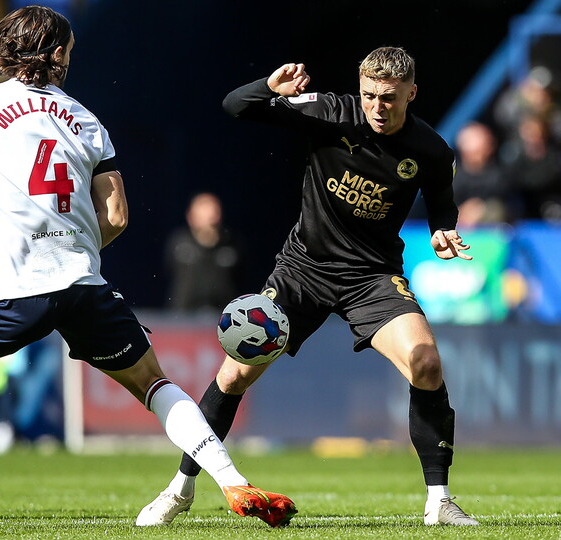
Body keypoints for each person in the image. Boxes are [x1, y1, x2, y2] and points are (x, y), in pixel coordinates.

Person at [0, 5, 296, 531]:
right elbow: (118, 216)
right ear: (56, 53)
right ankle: (232, 481)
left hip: (18, 286)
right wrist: (72, 247)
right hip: (84, 282)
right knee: (153, 383)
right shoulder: (86, 117)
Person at [136, 47, 480, 527]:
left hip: (371, 277)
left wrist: (444, 228)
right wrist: (268, 88)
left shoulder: (431, 149)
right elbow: (236, 107)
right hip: (303, 271)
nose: (378, 107)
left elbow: (442, 203)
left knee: (425, 363)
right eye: (370, 95)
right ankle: (181, 488)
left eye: (390, 98)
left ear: (412, 93)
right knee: (234, 376)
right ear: (359, 89)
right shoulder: (330, 113)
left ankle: (439, 502)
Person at [165, 192, 243, 312]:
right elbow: (168, 269)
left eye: (213, 214)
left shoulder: (232, 244)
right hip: (183, 316)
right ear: (191, 217)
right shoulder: (179, 243)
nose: (210, 219)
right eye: (202, 214)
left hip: (223, 317)